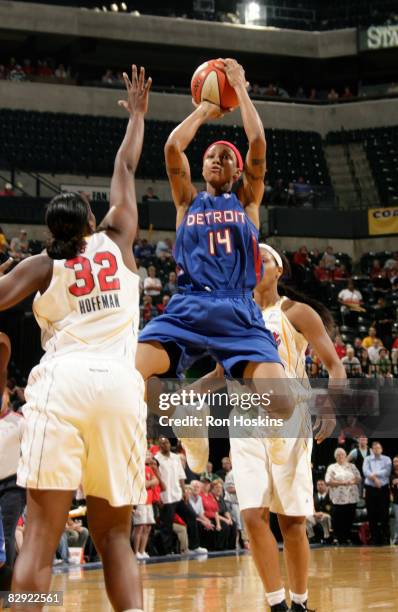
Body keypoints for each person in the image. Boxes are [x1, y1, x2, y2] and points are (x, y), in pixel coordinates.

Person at [0, 64, 152, 612]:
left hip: (61, 386)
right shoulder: (118, 238)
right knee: (114, 535)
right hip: (117, 387)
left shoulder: (41, 264)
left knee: (40, 535)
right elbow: (126, 163)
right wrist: (136, 115)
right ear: (92, 218)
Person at [136, 58, 294, 477]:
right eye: (211, 156)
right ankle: (188, 410)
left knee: (283, 404)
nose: (217, 160)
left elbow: (257, 140)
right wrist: (207, 107)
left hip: (239, 309)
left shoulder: (247, 201)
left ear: (240, 171)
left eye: (226, 157)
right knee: (130, 377)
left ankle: (213, 394)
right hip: (188, 304)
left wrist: (239, 89)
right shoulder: (187, 200)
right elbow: (172, 147)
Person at [226, 244, 346, 612]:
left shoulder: (296, 312)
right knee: (252, 513)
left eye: (265, 259)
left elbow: (335, 367)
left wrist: (330, 404)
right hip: (244, 417)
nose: (256, 263)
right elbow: (220, 372)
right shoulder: (234, 316)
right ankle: (276, 604)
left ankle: (300, 601)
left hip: (288, 418)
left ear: (279, 270)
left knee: (291, 520)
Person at [155, 437, 207, 555]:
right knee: (166, 526)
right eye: (162, 444)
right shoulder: (156, 459)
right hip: (165, 497)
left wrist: (184, 492)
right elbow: (157, 481)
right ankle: (167, 552)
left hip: (178, 495)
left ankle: (194, 547)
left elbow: (181, 476)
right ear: (159, 446)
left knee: (191, 517)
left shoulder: (175, 457)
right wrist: (158, 498)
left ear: (169, 444)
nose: (165, 445)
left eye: (167, 442)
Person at [325, 448, 361, 544]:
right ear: (335, 457)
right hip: (338, 498)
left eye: (342, 454)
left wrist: (352, 481)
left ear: (345, 456)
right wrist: (342, 482)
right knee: (338, 519)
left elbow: (358, 478)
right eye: (338, 455)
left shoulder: (352, 466)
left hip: (351, 497)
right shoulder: (332, 467)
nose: (341, 456)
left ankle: (347, 537)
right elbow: (328, 481)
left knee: (349, 518)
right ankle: (338, 538)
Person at [363, 441, 392, 545]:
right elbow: (365, 471)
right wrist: (375, 479)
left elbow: (387, 472)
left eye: (378, 448)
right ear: (372, 449)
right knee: (371, 514)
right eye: (374, 448)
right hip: (370, 489)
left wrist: (374, 474)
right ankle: (374, 538)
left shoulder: (387, 459)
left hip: (383, 489)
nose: (376, 449)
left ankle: (386, 538)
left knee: (384, 514)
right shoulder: (367, 459)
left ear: (381, 449)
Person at [390, 456, 398, 545]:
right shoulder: (391, 475)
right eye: (394, 462)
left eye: (397, 461)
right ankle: (396, 539)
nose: (396, 463)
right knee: (397, 521)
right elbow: (394, 482)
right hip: (396, 501)